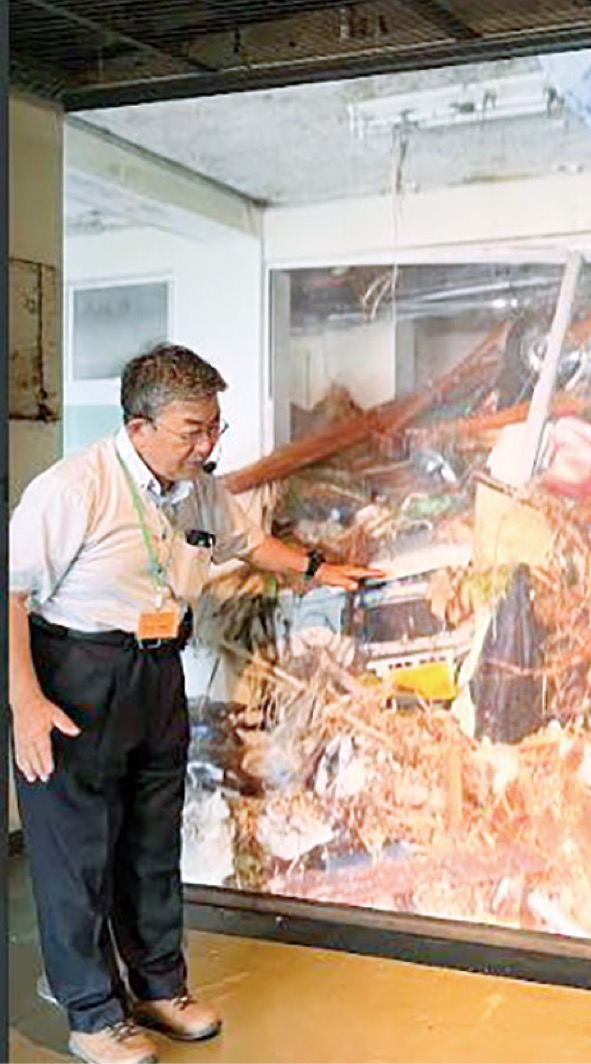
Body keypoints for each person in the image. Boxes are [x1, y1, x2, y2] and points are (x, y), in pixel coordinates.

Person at [8, 344, 380, 1064]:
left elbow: (250, 543)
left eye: (214, 427)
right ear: (138, 426)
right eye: (192, 430)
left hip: (156, 674)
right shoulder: (75, 488)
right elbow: (11, 593)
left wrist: (317, 568)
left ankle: (158, 987)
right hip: (76, 673)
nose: (207, 444)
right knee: (76, 855)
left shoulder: (197, 491)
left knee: (152, 842)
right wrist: (24, 700)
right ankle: (91, 1014)